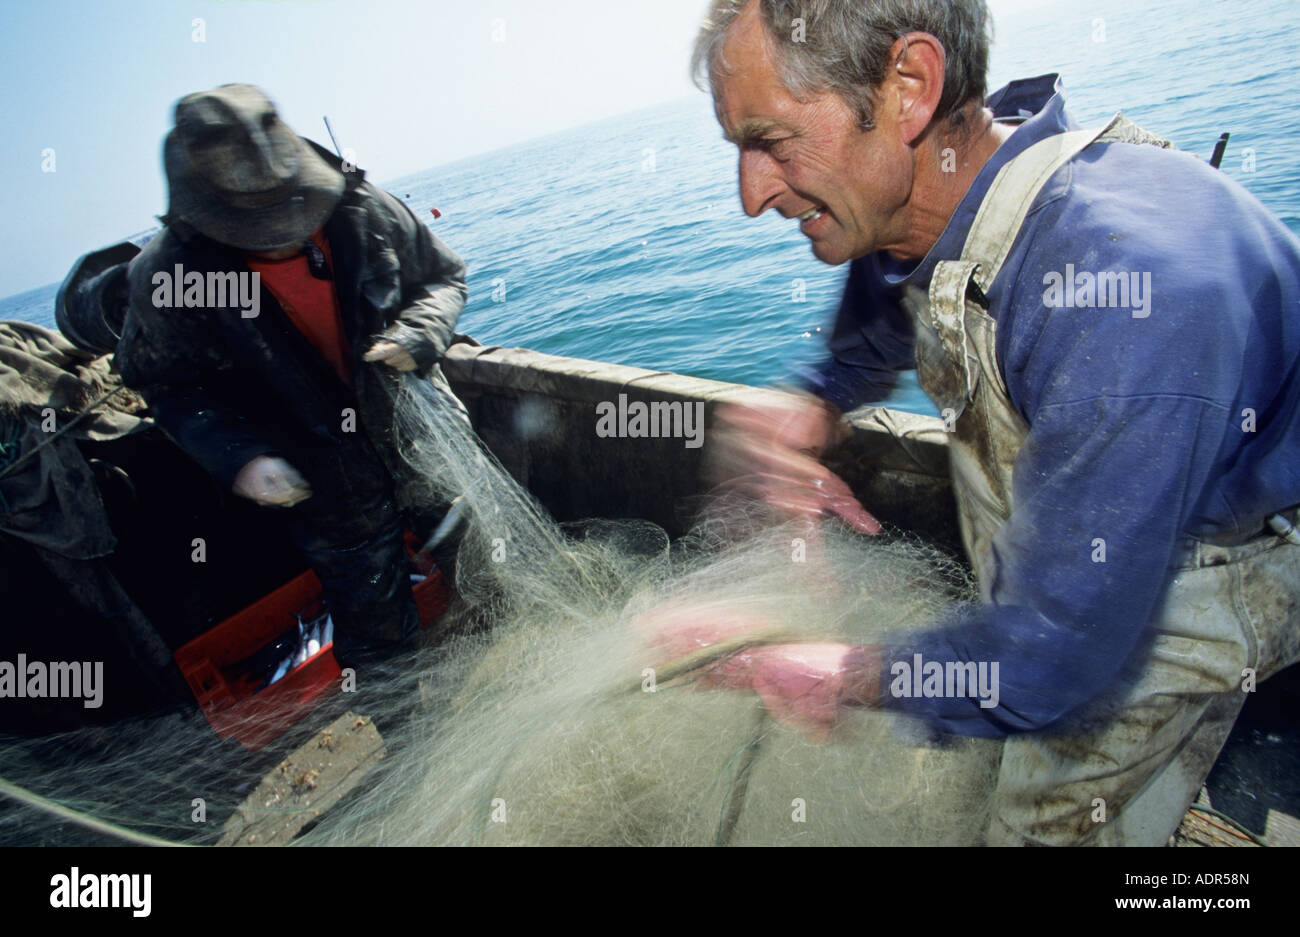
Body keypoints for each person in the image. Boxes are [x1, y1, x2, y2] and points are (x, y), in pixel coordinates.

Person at [671, 0, 1300, 844]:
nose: (751, 196)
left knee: (1038, 823)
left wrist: (845, 673)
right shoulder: (957, 179)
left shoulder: (1124, 300)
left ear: (910, 87)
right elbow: (904, 272)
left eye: (771, 142)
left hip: (1216, 558)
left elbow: (1055, 654)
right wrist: (816, 403)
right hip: (1101, 529)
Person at [116, 84, 469, 660]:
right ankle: (408, 730)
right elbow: (167, 386)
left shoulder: (363, 208)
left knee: (484, 559)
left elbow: (443, 277)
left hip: (428, 439)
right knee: (375, 626)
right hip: (321, 478)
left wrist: (420, 333)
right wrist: (242, 459)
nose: (287, 233)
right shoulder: (168, 276)